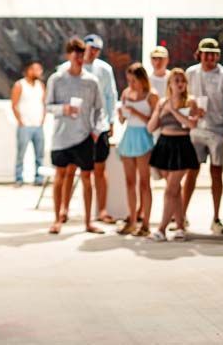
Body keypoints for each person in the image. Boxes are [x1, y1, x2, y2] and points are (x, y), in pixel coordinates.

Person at [46, 37, 107, 235]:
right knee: (60, 177)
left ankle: (88, 222)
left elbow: (100, 109)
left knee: (87, 178)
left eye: (82, 54)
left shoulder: (91, 80)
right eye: (76, 54)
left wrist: (97, 131)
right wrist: (63, 108)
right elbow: (48, 106)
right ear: (68, 56)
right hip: (61, 137)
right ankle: (57, 219)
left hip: (84, 137)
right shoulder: (56, 78)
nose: (80, 58)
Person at [184, 38, 223, 235]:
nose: (210, 57)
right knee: (191, 172)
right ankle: (182, 215)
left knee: (216, 173)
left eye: (213, 53)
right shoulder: (190, 73)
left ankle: (216, 217)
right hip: (196, 130)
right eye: (206, 53)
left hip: (217, 132)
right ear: (199, 54)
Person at [147, 68, 199, 241]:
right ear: (169, 83)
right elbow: (151, 127)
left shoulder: (190, 102)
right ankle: (180, 226)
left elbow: (192, 125)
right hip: (164, 145)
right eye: (176, 80)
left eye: (182, 80)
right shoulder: (162, 102)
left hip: (182, 146)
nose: (180, 84)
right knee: (175, 190)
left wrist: (174, 111)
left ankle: (161, 229)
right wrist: (161, 112)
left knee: (170, 189)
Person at [117, 63, 159, 236]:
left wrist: (135, 111)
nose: (131, 84)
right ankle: (132, 220)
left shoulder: (152, 96)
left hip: (143, 137)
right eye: (129, 81)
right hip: (129, 136)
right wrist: (121, 115)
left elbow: (154, 120)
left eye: (134, 80)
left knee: (144, 182)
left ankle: (146, 223)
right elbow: (122, 120)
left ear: (142, 79)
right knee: (129, 182)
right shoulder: (126, 93)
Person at [82, 34, 118, 224]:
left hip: (100, 126)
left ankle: (102, 210)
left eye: (97, 49)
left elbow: (111, 95)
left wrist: (111, 121)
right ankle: (63, 210)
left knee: (99, 170)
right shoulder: (72, 67)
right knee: (74, 170)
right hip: (78, 128)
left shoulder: (104, 69)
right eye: (90, 48)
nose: (93, 52)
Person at [11, 60, 46, 187]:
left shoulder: (41, 85)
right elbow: (14, 105)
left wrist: (43, 119)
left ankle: (39, 179)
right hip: (25, 125)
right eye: (36, 69)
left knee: (40, 154)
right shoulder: (20, 85)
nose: (39, 72)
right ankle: (18, 178)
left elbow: (43, 103)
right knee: (21, 154)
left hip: (38, 125)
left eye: (40, 70)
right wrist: (20, 121)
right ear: (29, 70)